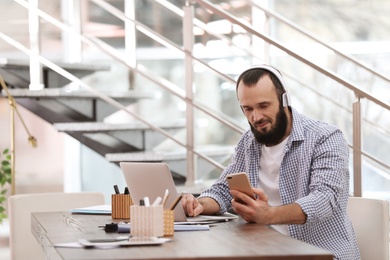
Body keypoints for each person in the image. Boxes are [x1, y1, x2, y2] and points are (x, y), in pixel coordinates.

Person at [181, 64, 360, 260]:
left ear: (285, 100)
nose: (255, 117)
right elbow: (223, 190)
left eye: (263, 106)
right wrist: (198, 204)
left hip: (322, 254)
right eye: (247, 109)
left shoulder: (325, 137)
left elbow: (324, 200)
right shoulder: (248, 142)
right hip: (265, 251)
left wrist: (269, 215)